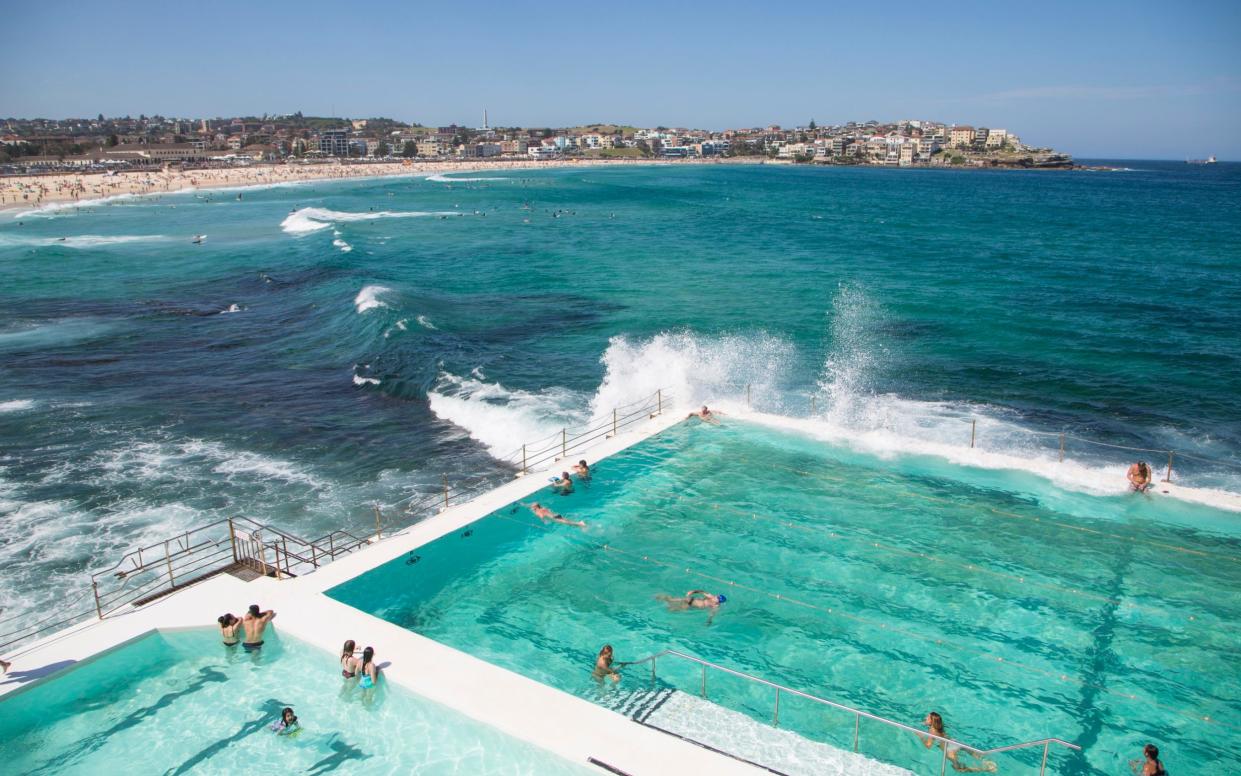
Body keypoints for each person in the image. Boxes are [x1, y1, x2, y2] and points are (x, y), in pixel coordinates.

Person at [920, 712, 996, 772]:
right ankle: (987, 761)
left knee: (958, 769)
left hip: (949, 749)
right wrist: (926, 723)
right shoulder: (940, 726)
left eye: (927, 718)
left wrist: (920, 735)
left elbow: (928, 746)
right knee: (973, 753)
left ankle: (986, 769)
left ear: (932, 721)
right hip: (955, 742)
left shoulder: (932, 731)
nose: (925, 718)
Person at [656, 590, 727, 625]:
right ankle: (659, 596)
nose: (715, 598)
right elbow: (701, 591)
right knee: (670, 600)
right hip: (690, 599)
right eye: (717, 596)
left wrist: (709, 620)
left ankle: (662, 606)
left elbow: (712, 614)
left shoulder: (716, 606)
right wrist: (692, 592)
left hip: (689, 605)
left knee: (672, 610)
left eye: (717, 599)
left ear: (719, 602)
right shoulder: (710, 596)